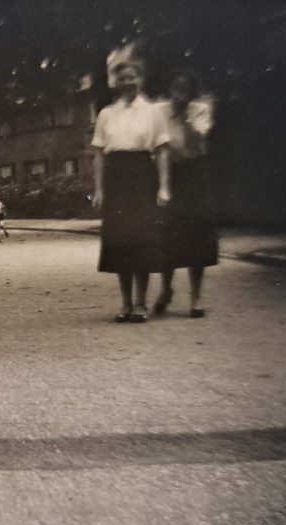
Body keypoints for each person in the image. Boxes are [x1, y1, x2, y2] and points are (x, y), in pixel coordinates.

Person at [91, 45, 172, 323]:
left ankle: (141, 304)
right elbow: (99, 155)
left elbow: (161, 152)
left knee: (141, 241)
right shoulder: (106, 114)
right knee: (120, 243)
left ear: (141, 79)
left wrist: (163, 187)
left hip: (142, 176)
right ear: (116, 82)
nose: (128, 82)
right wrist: (99, 189)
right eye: (122, 78)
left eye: (132, 77)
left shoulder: (153, 112)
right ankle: (125, 304)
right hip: (116, 178)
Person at [153, 71, 218, 318]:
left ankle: (196, 296)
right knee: (168, 234)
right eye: (175, 88)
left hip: (194, 175)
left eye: (184, 90)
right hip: (170, 173)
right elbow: (157, 143)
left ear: (191, 93)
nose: (178, 94)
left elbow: (196, 142)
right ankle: (165, 289)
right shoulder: (159, 110)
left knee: (198, 237)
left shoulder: (200, 110)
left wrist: (186, 116)